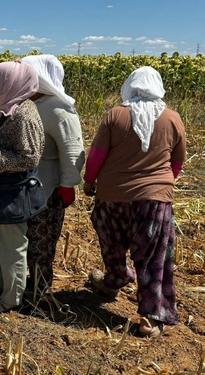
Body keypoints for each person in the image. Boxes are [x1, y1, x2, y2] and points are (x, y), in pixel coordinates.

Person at [83, 66, 187, 337]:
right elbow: (177, 162)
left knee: (112, 244)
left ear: (130, 86)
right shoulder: (173, 118)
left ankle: (115, 279)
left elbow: (96, 156)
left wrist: (89, 182)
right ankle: (150, 320)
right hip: (154, 202)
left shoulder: (115, 115)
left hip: (112, 197)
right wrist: (163, 185)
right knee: (153, 258)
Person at [0, 60, 45, 313]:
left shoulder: (25, 114)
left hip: (13, 191)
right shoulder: (7, 108)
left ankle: (10, 300)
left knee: (11, 247)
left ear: (10, 84)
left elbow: (31, 158)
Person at [21, 55, 85, 293]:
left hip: (47, 186)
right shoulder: (31, 103)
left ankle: (40, 286)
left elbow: (73, 149)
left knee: (42, 239)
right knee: (27, 235)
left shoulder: (58, 109)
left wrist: (68, 184)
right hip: (27, 183)